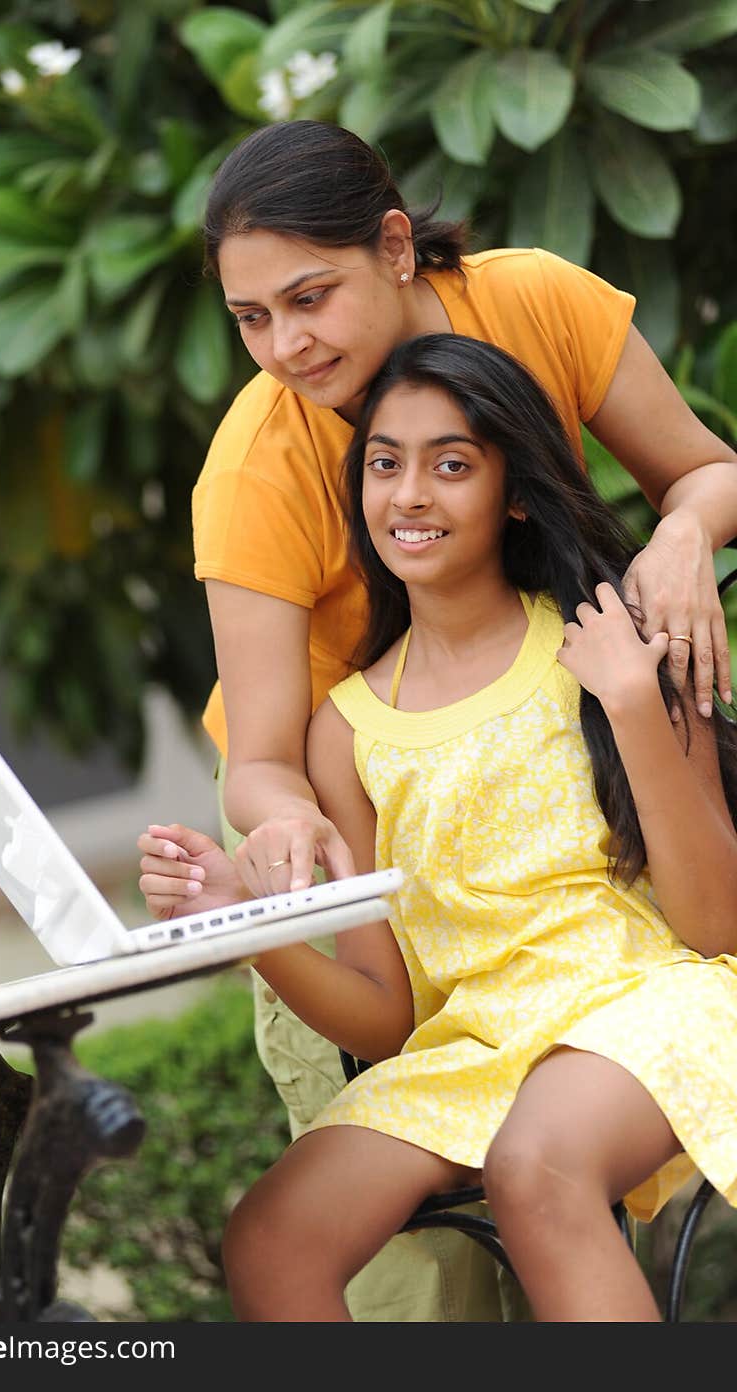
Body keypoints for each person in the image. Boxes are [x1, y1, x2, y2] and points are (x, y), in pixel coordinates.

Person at [140, 119, 737, 1321]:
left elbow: (704, 472)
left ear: (396, 247)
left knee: (537, 1178)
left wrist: (680, 544)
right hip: (344, 831)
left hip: (615, 929)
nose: (285, 346)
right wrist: (277, 879)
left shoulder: (600, 655)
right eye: (251, 318)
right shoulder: (261, 467)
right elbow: (262, 764)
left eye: (307, 298)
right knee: (406, 1283)